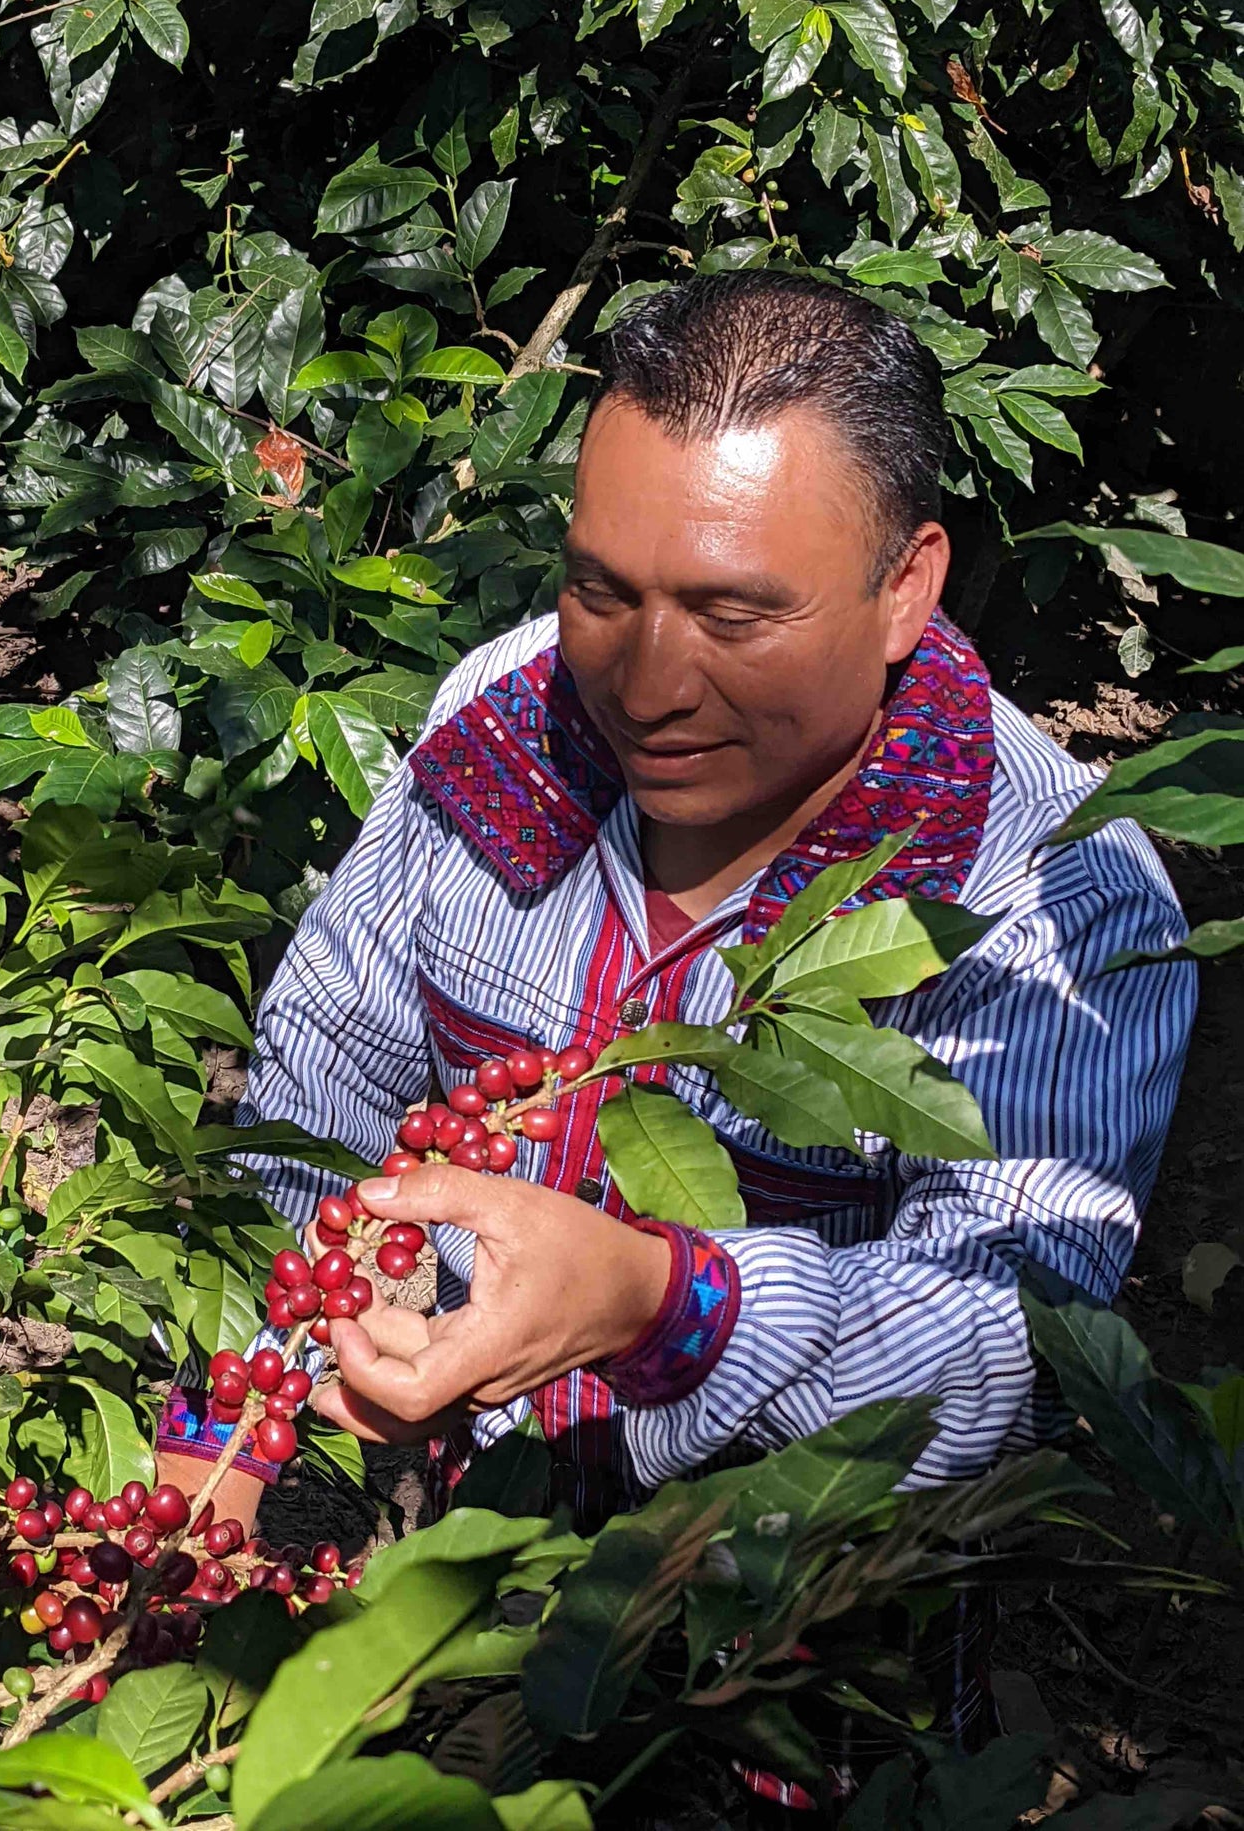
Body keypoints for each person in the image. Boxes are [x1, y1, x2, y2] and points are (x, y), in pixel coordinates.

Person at [154, 272, 1195, 1788]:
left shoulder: (1048, 894)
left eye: (733, 613)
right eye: (600, 592)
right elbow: (327, 1094)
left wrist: (667, 1308)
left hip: (790, 1665)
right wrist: (227, 1423)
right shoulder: (500, 721)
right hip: (442, 1599)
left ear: (906, 585)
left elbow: (1012, 1348)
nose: (645, 682)